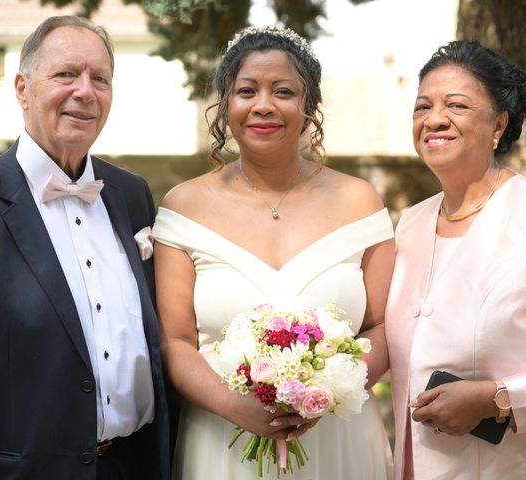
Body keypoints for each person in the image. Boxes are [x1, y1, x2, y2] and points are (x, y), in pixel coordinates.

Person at [152, 26, 395, 479]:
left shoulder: (360, 202)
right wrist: (235, 405)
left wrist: (327, 391)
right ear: (227, 105)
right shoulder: (182, 206)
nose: (264, 104)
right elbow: (176, 342)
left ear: (308, 107)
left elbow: (381, 326)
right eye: (247, 90)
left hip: (339, 438)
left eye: (283, 91)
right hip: (221, 437)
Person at [0, 16, 170, 480]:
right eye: (66, 74)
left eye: (100, 79)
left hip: (136, 467)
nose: (85, 91)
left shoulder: (132, 195)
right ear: (23, 87)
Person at [385, 39, 526, 479]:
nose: (434, 119)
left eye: (456, 105)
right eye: (422, 107)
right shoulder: (411, 224)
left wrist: (499, 397)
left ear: (498, 125)